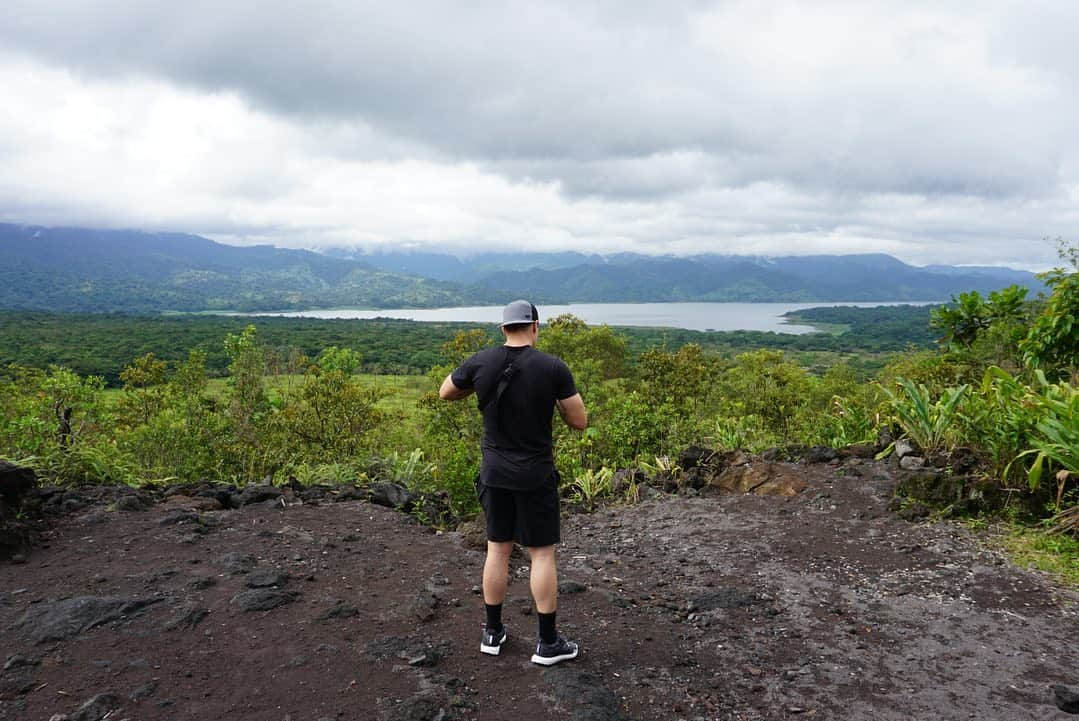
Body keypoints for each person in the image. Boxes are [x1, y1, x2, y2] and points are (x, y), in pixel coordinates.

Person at [439, 299, 588, 666]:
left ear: (503, 328)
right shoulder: (553, 367)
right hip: (534, 473)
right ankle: (548, 643)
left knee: (497, 550)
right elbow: (579, 420)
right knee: (541, 553)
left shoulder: (481, 362)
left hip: (494, 473)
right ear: (535, 326)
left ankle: (492, 633)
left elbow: (446, 391)